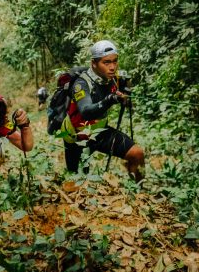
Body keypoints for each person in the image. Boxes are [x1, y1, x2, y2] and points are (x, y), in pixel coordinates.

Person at [59, 40, 144, 182]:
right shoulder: (81, 84)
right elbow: (86, 111)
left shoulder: (115, 79)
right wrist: (109, 100)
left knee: (137, 154)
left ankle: (138, 195)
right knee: (77, 181)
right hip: (77, 138)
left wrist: (125, 98)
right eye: (106, 62)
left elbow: (126, 99)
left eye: (115, 61)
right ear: (94, 63)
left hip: (100, 132)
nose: (112, 67)